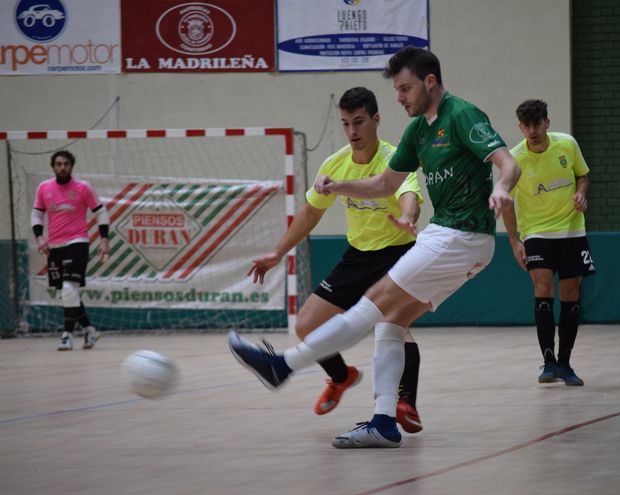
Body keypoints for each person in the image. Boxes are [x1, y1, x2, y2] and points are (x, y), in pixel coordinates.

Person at [228, 46, 521, 448]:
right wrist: (338, 186)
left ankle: (283, 366)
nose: (399, 97)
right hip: (459, 242)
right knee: (392, 321)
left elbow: (509, 163)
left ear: (429, 82)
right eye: (396, 90)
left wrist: (502, 188)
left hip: (459, 234)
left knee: (372, 305)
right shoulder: (418, 131)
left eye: (405, 88)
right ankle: (384, 422)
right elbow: (384, 183)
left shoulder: (462, 114)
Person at [245, 87, 424, 432]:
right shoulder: (335, 164)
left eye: (359, 121)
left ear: (376, 119)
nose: (352, 131)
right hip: (357, 256)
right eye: (345, 123)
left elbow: (409, 195)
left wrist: (407, 216)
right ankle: (341, 377)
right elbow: (311, 213)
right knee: (306, 325)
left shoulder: (395, 158)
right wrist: (278, 252)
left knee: (395, 326)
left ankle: (406, 402)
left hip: (397, 252)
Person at [501, 99, 595, 386]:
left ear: (547, 123)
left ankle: (565, 363)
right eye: (526, 125)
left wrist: (581, 194)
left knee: (571, 291)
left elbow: (582, 175)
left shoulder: (567, 144)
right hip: (536, 233)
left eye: (537, 124)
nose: (532, 130)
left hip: (571, 230)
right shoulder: (515, 159)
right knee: (542, 287)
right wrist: (514, 241)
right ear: (520, 127)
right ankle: (548, 361)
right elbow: (506, 202)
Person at [31, 150, 109, 350]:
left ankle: (67, 335)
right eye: (59, 164)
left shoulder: (83, 187)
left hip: (78, 242)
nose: (62, 167)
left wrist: (104, 239)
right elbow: (37, 215)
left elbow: (101, 212)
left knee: (68, 288)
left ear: (71, 166)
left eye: (66, 164)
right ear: (53, 166)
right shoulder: (44, 188)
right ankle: (89, 330)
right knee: (68, 293)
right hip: (54, 247)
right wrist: (39, 238)